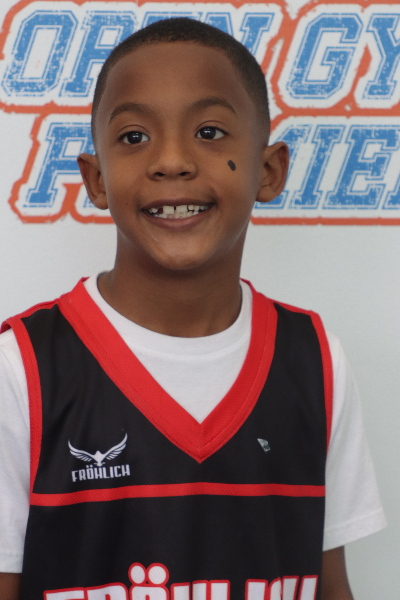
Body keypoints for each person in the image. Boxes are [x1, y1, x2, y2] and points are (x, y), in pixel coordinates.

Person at [0, 18, 386, 600]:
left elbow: (331, 584)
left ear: (268, 170)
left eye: (209, 131)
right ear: (96, 180)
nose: (172, 160)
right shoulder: (21, 370)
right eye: (134, 136)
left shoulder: (315, 360)